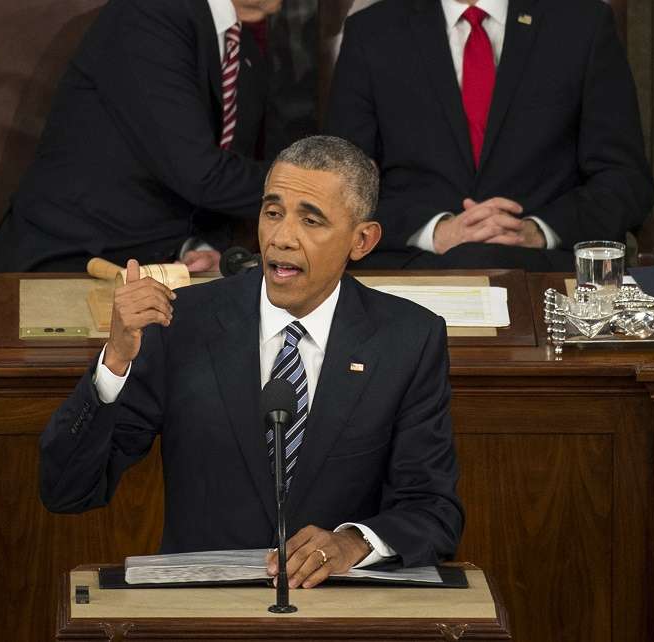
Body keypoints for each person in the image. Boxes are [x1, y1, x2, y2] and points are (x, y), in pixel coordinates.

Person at [39, 136, 463, 588]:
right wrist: (116, 358)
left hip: (338, 610)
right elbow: (68, 491)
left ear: (361, 240)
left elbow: (433, 510)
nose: (281, 238)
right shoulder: (181, 324)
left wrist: (353, 543)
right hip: (205, 612)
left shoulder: (407, 339)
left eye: (311, 220)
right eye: (273, 212)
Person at [326, 0, 654, 271]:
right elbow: (337, 185)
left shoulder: (583, 24)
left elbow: (625, 179)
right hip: (412, 265)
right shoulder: (372, 32)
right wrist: (436, 232)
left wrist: (537, 230)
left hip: (541, 268)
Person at [0, 0, 283, 274]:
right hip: (68, 265)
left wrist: (205, 248)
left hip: (165, 271)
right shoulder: (150, 14)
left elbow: (227, 181)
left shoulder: (246, 54)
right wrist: (309, 188)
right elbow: (199, 173)